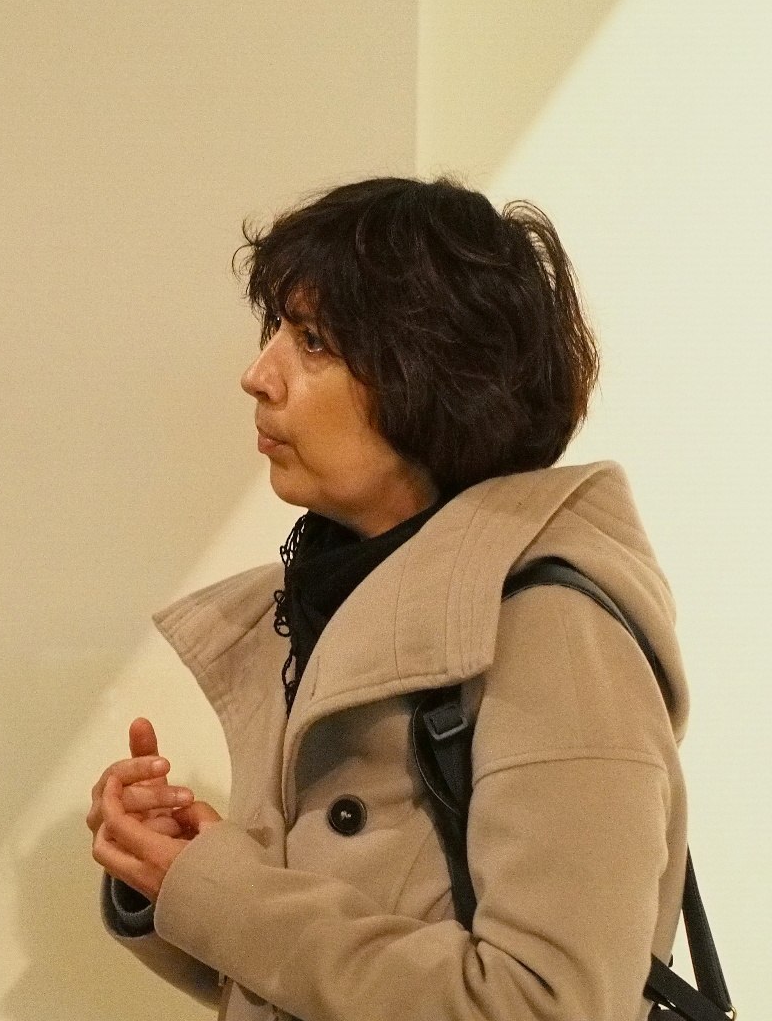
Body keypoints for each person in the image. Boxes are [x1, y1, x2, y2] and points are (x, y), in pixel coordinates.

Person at [87, 178, 688, 1021]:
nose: (258, 375)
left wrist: (225, 894)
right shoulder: (329, 602)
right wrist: (173, 879)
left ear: (434, 377)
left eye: (313, 341)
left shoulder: (546, 627)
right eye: (274, 331)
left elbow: (544, 1006)